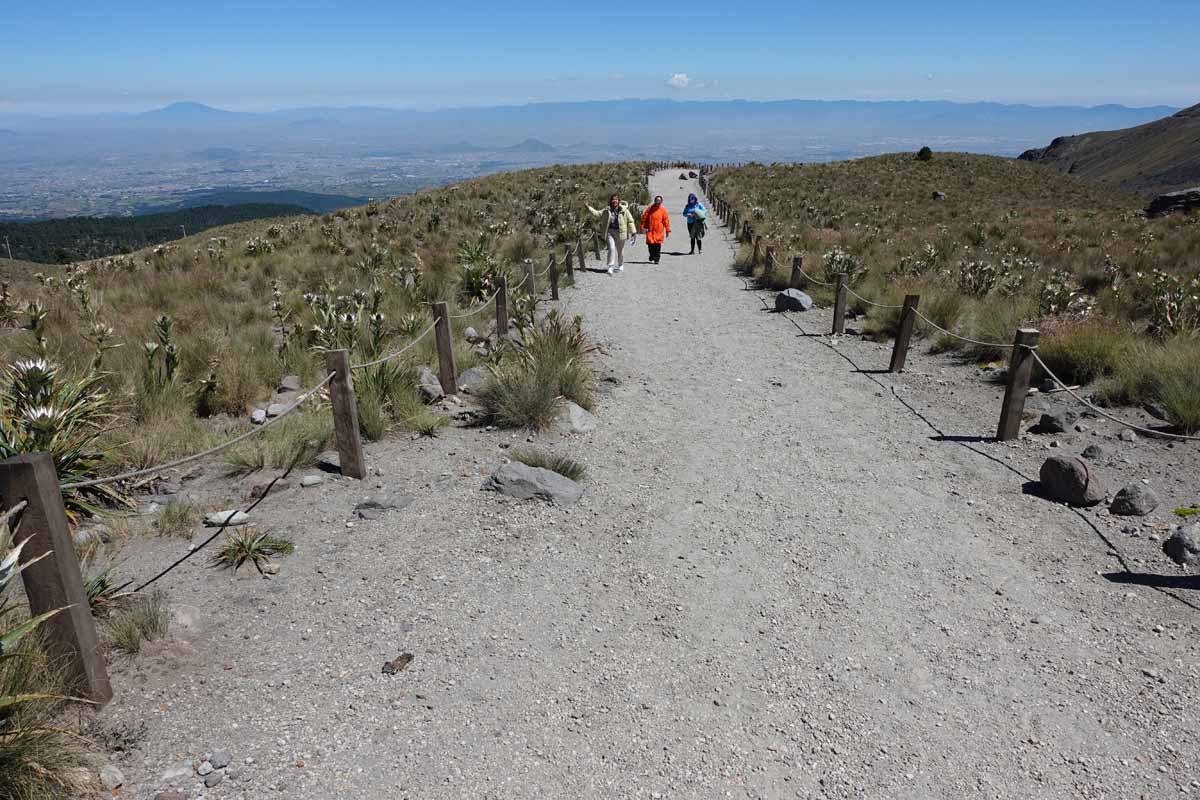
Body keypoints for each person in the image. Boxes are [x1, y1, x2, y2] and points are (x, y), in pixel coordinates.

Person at [586, 194, 637, 274]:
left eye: (616, 199)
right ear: (610, 201)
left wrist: (633, 232)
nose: (614, 201)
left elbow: (630, 221)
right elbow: (597, 214)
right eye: (613, 199)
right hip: (610, 232)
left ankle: (620, 265)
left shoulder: (624, 210)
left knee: (620, 251)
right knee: (611, 249)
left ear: (619, 201)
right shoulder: (607, 210)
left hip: (621, 233)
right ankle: (610, 267)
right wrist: (589, 208)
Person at [641, 195, 671, 264]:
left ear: (661, 202)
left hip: (659, 231)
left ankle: (657, 259)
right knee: (650, 245)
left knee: (657, 246)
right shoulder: (650, 209)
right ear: (655, 201)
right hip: (650, 230)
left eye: (659, 200)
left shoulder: (663, 210)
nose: (658, 202)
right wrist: (643, 226)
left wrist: (667, 229)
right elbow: (644, 218)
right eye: (657, 200)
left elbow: (666, 220)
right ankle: (651, 256)